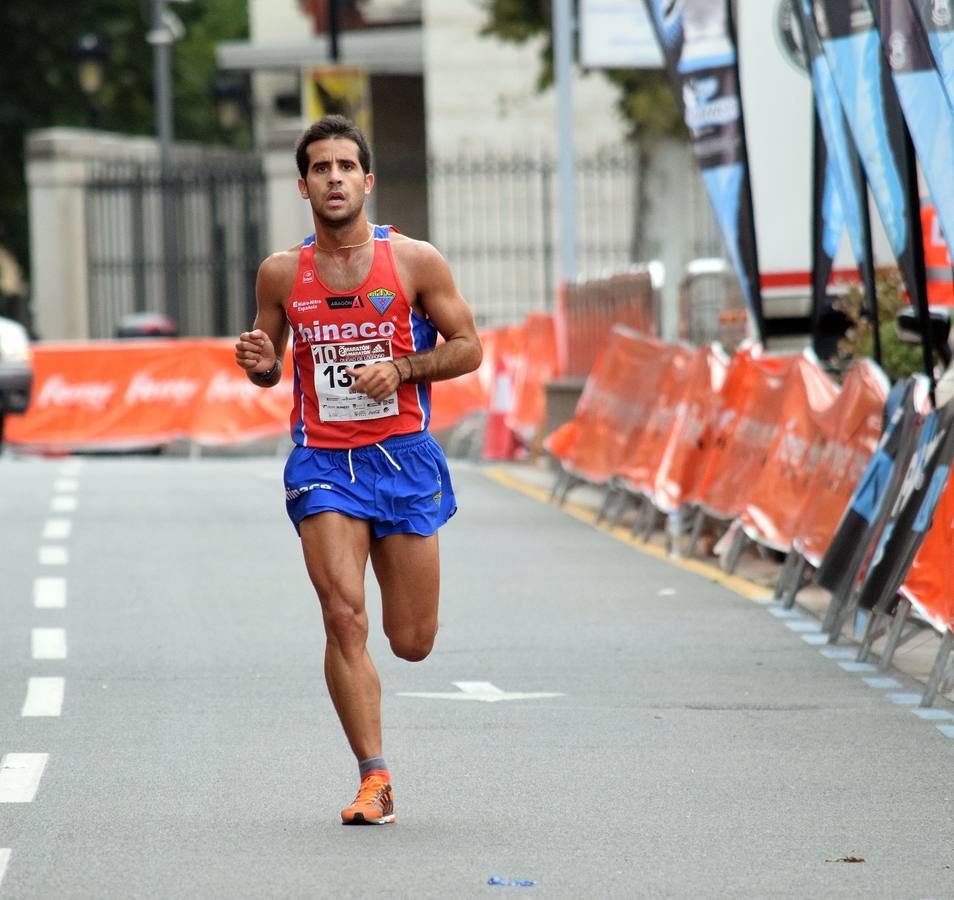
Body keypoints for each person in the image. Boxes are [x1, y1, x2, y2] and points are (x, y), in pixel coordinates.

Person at [234, 115, 482, 825]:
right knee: (343, 617)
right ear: (304, 183)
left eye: (347, 166)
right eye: (321, 167)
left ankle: (380, 759)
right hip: (323, 463)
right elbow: (271, 362)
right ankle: (374, 778)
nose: (334, 177)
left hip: (403, 458)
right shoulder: (282, 273)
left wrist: (402, 368)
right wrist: (260, 365)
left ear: (367, 181)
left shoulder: (414, 262)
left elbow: (469, 347)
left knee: (412, 642)